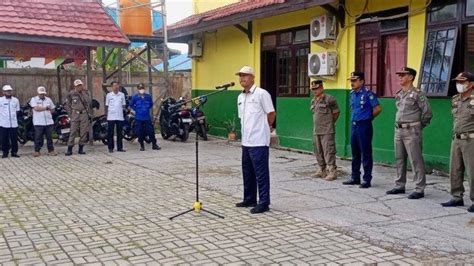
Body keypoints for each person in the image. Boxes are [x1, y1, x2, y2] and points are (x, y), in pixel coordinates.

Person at [386, 67, 432, 199]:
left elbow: (428, 113)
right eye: (399, 75)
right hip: (398, 130)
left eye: (403, 75)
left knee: (415, 159)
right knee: (399, 158)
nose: (400, 77)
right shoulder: (399, 93)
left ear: (411, 77)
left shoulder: (418, 94)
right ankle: (400, 185)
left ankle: (419, 188)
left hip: (412, 130)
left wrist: (418, 126)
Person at [235, 66, 276, 214]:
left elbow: (271, 113)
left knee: (261, 173)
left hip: (259, 141)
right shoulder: (240, 97)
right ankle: (249, 198)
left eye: (245, 76)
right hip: (246, 141)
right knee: (247, 172)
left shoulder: (261, 94)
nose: (242, 79)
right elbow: (242, 119)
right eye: (240, 76)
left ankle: (264, 202)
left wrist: (267, 126)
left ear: (252, 77)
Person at [441, 71, 474, 212]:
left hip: (471, 139)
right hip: (456, 138)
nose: (459, 85)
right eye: (457, 82)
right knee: (455, 169)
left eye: (462, 82)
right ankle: (456, 197)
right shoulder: (455, 99)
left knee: (472, 171)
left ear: (471, 84)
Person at [343, 71, 382, 188]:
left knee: (366, 152)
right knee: (355, 152)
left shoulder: (368, 94)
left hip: (364, 125)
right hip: (354, 125)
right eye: (351, 80)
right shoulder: (352, 94)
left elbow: (378, 108)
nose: (352, 83)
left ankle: (367, 179)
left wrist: (368, 118)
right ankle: (355, 177)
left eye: (354, 80)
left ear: (362, 81)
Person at [310, 80, 340, 181]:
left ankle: (332, 171)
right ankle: (321, 169)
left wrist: (330, 123)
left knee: (329, 151)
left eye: (317, 88)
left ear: (322, 87)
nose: (315, 91)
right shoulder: (313, 100)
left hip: (327, 130)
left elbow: (336, 112)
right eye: (313, 89)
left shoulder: (329, 99)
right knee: (318, 151)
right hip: (316, 130)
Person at [129, 83, 161, 151]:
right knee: (139, 132)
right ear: (138, 89)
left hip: (147, 117)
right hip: (138, 117)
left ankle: (154, 144)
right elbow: (131, 105)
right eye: (140, 88)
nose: (141, 90)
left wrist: (145, 109)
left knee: (151, 131)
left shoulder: (148, 96)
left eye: (142, 88)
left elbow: (151, 104)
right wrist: (137, 109)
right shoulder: (135, 97)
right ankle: (142, 145)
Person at [64, 79, 91, 156]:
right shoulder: (71, 94)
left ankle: (81, 148)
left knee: (84, 132)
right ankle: (69, 148)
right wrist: (70, 114)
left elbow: (88, 101)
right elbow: (67, 105)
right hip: (75, 114)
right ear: (75, 86)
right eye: (78, 86)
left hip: (84, 114)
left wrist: (84, 92)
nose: (79, 87)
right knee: (73, 131)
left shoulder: (85, 93)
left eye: (80, 85)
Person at [30, 86, 58, 157]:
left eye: (43, 93)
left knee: (49, 137)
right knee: (38, 137)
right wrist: (45, 108)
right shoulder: (34, 99)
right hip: (38, 122)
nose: (42, 95)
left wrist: (50, 110)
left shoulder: (48, 99)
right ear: (38, 93)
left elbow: (53, 109)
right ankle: (37, 151)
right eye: (41, 94)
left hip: (48, 122)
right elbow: (36, 108)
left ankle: (51, 150)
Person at [0, 85, 20, 158]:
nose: (8, 92)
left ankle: (14, 152)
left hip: (14, 123)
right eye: (7, 91)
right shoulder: (0, 100)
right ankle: (5, 152)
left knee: (14, 138)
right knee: (4, 139)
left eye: (9, 91)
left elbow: (17, 110)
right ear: (3, 92)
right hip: (3, 123)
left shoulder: (15, 100)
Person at [106, 81, 126, 153]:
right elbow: (107, 105)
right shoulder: (109, 95)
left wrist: (124, 112)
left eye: (117, 85)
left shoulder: (122, 95)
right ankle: (110, 148)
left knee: (119, 133)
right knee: (110, 133)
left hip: (119, 116)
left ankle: (120, 148)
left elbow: (123, 105)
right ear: (112, 87)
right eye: (114, 85)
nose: (116, 87)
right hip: (111, 116)